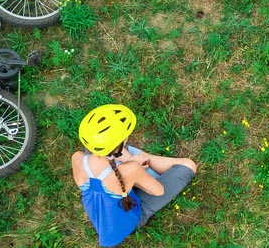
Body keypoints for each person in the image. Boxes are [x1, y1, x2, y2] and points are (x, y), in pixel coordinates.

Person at [72, 104, 198, 246]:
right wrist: (134, 164)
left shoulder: (77, 158)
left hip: (106, 216)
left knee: (116, 155)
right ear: (122, 142)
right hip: (130, 218)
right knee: (188, 166)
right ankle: (138, 155)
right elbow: (158, 191)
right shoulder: (130, 170)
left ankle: (125, 155)